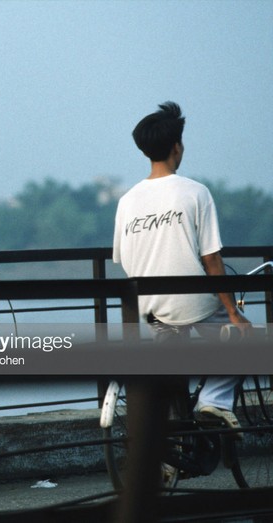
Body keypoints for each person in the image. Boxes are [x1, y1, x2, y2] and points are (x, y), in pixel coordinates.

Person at [113, 101, 253, 433]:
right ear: (177, 146)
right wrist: (234, 313)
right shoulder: (194, 193)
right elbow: (212, 260)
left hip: (151, 308)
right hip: (194, 305)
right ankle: (215, 402)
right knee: (247, 340)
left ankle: (170, 447)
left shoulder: (127, 201)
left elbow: (123, 259)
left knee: (170, 372)